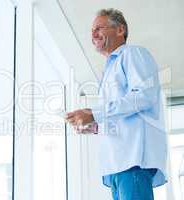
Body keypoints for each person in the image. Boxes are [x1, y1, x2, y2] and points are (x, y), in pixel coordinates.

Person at [65, 8, 168, 200]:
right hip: (117, 166)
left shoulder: (132, 54)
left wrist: (95, 114)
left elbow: (144, 96)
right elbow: (123, 113)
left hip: (132, 161)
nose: (93, 34)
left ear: (120, 30)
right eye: (91, 30)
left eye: (99, 28)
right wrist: (96, 126)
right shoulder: (109, 69)